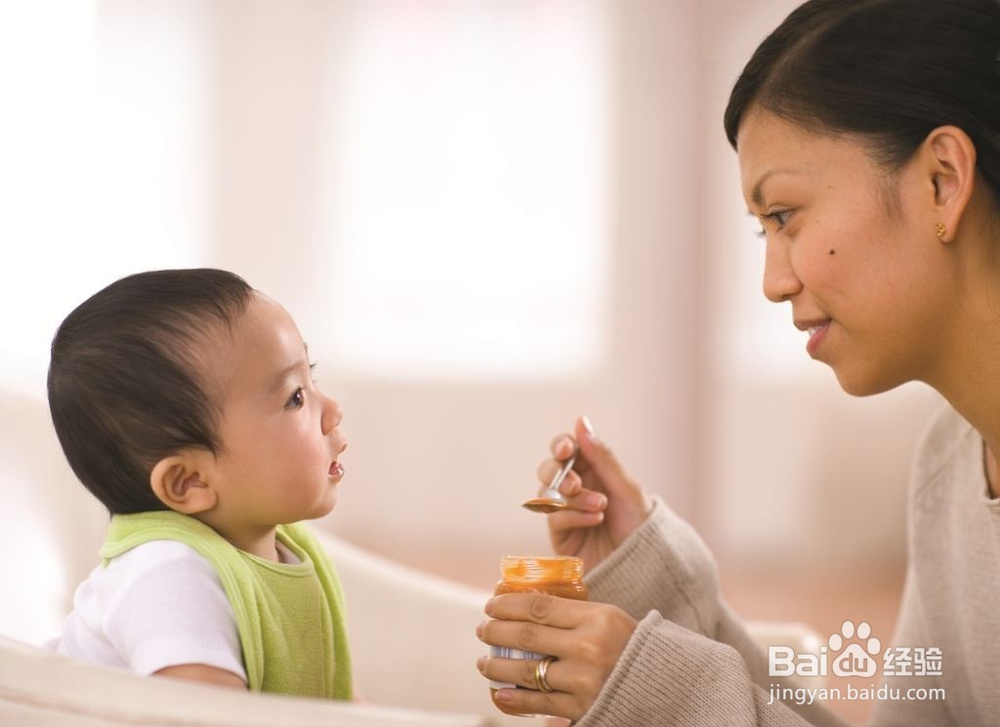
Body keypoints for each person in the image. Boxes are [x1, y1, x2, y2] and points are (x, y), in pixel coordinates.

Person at [476, 0, 1000, 724]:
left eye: (784, 216)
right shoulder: (953, 460)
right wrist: (653, 581)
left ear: (942, 180)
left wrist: (670, 696)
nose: (773, 281)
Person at [48, 268, 353, 700]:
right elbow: (205, 716)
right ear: (189, 480)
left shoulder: (286, 547)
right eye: (295, 398)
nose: (333, 409)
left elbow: (340, 705)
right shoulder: (169, 576)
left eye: (312, 377)